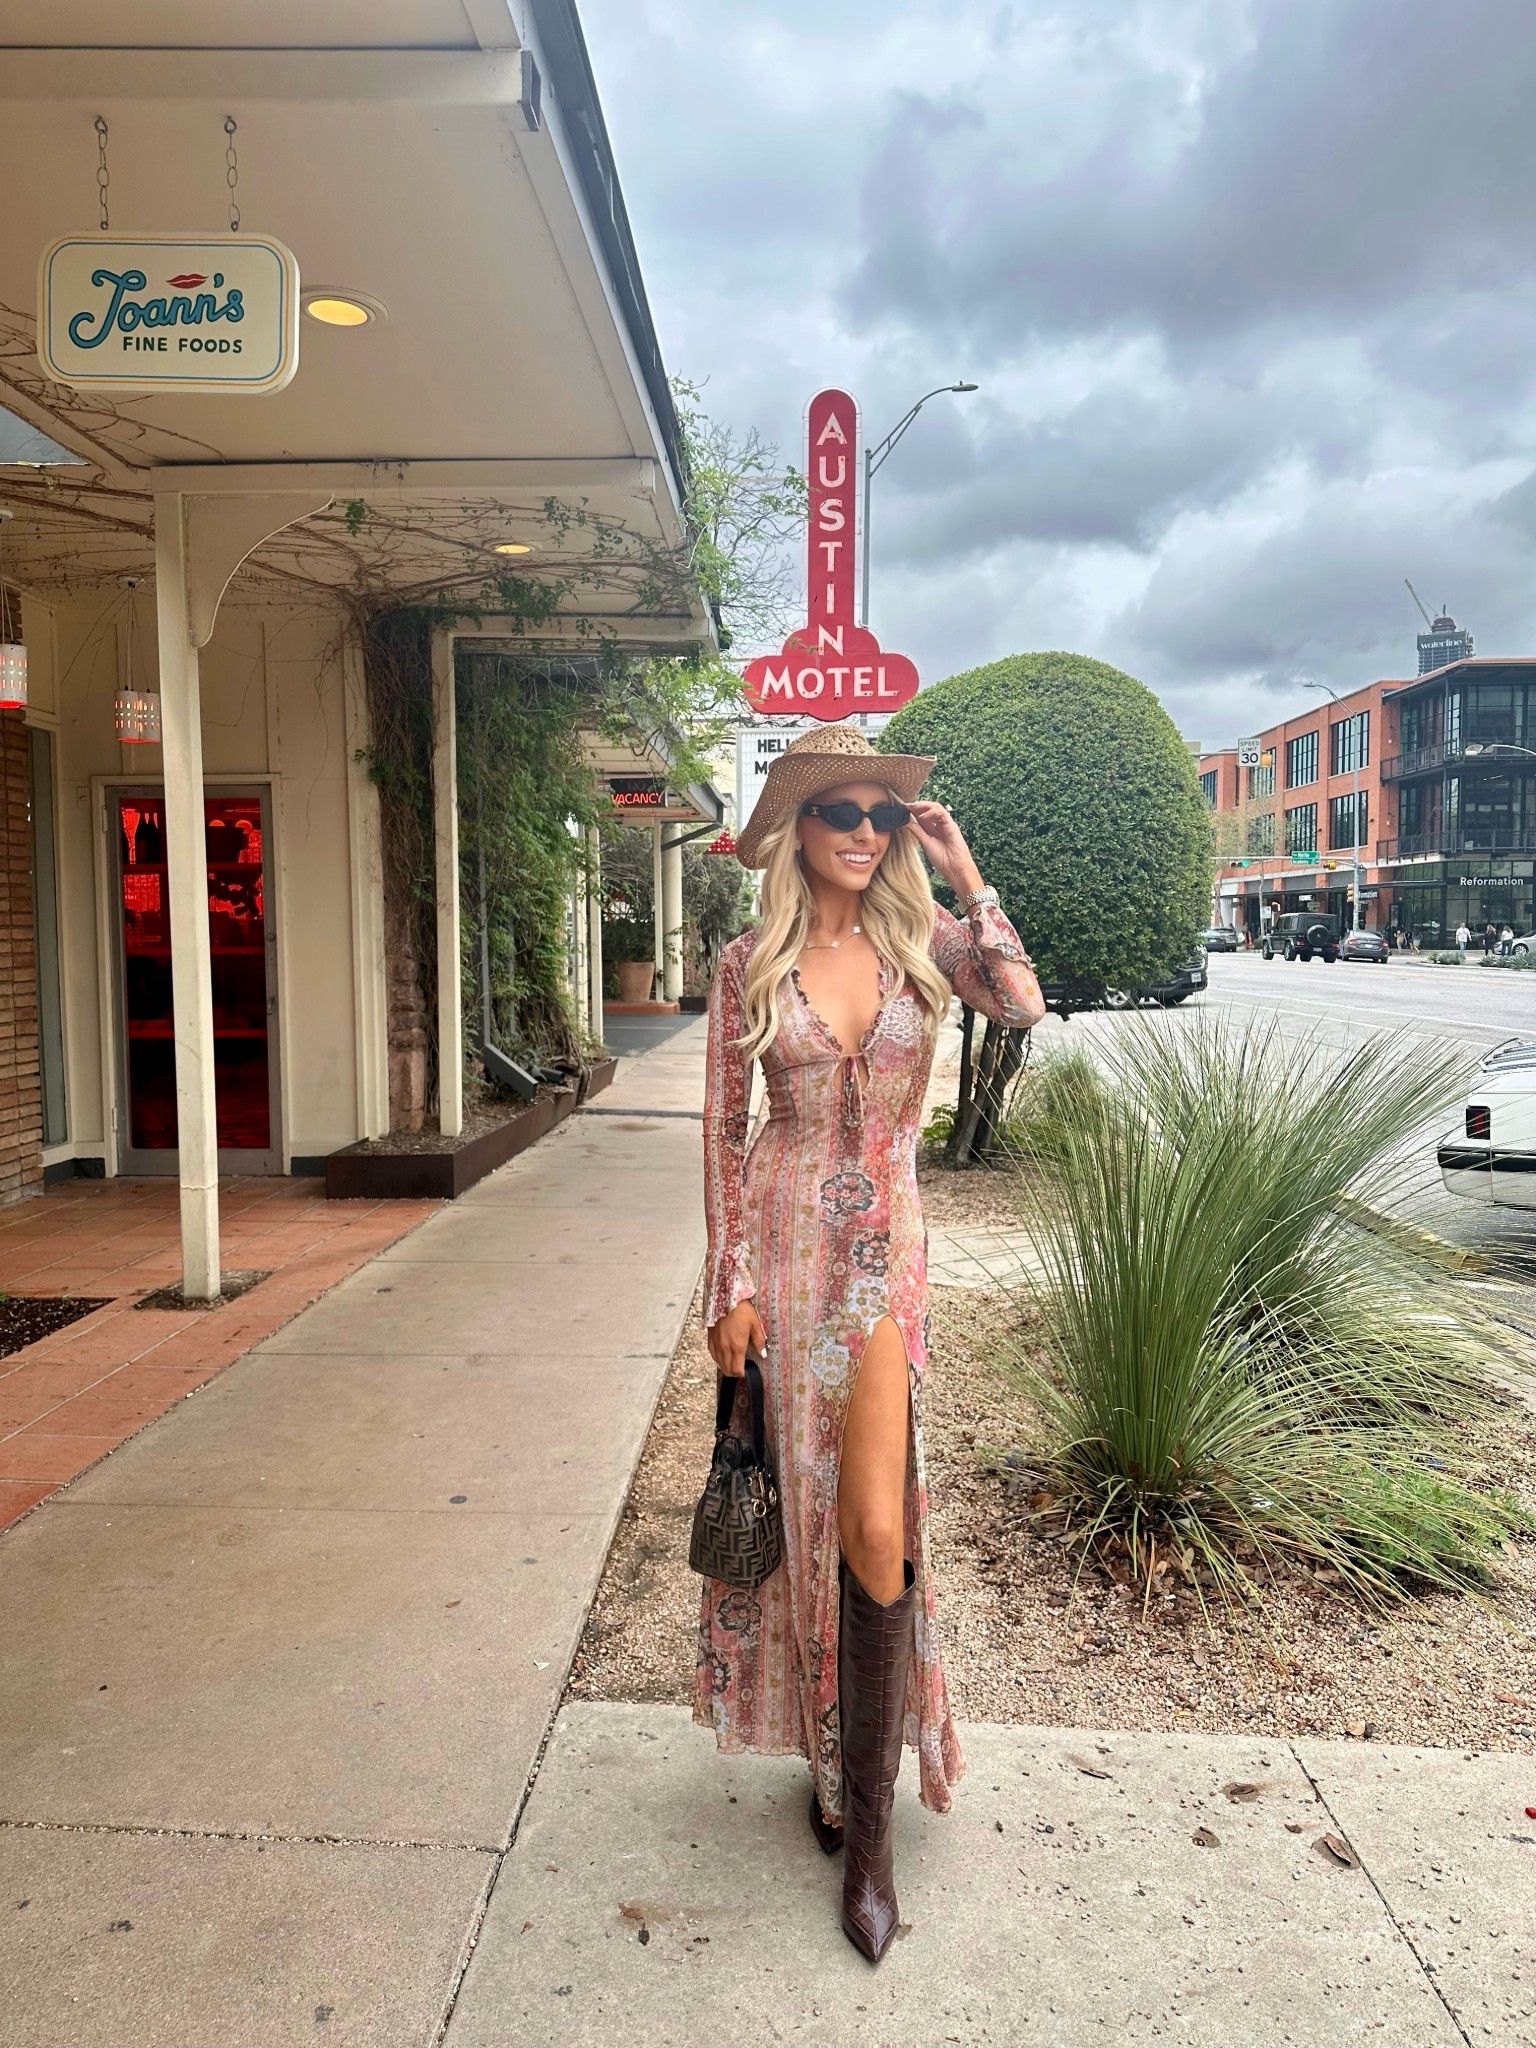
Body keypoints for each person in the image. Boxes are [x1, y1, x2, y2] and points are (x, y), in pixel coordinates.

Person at [698, 722, 1044, 1963]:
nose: (862, 829)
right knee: (806, 1521)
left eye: (883, 813)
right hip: (784, 1257)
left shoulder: (926, 948)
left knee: (879, 1522)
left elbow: (1025, 1000)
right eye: (840, 810)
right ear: (797, 826)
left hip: (883, 1258)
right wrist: (725, 1281)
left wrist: (962, 867)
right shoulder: (750, 961)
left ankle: (877, 1839)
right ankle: (833, 1773)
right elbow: (723, 1132)